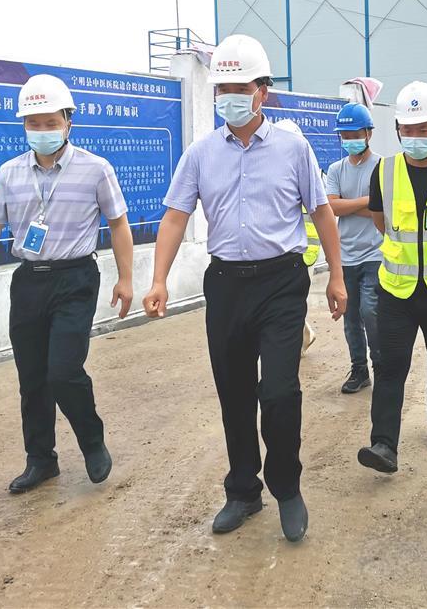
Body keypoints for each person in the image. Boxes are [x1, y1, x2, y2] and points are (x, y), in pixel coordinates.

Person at [142, 35, 347, 543]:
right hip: (226, 285)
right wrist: (159, 279)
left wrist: (337, 277)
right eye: (222, 89)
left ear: (263, 92)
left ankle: (287, 488)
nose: (229, 97)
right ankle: (242, 491)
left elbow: (321, 212)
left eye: (239, 88)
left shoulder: (293, 148)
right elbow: (175, 216)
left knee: (279, 391)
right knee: (233, 392)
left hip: (281, 282)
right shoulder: (201, 154)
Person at [0, 74, 134, 494]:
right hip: (29, 282)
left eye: (51, 122)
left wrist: (126, 279)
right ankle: (41, 460)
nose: (42, 130)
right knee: (32, 377)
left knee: (63, 370)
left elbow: (118, 224)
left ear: (69, 122)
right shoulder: (9, 173)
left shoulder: (95, 169)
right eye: (33, 123)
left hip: (76, 278)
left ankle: (92, 441)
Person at [356, 81, 427, 473]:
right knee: (390, 365)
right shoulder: (384, 170)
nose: (415, 135)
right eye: (408, 128)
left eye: (424, 128)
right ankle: (384, 444)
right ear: (398, 129)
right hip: (396, 289)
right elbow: (380, 222)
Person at [326, 102, 382, 394]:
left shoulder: (383, 167)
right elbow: (331, 207)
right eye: (345, 136)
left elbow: (382, 212)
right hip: (345, 255)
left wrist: (348, 205)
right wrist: (369, 201)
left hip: (376, 253)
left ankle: (380, 364)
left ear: (368, 133)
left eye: (355, 135)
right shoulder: (336, 169)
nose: (349, 140)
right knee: (350, 318)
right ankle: (359, 369)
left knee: (371, 312)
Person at [272, 118, 321, 358]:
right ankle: (303, 337)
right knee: (283, 302)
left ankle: (298, 342)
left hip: (302, 252)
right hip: (289, 251)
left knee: (290, 302)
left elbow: (322, 214)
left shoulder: (306, 172)